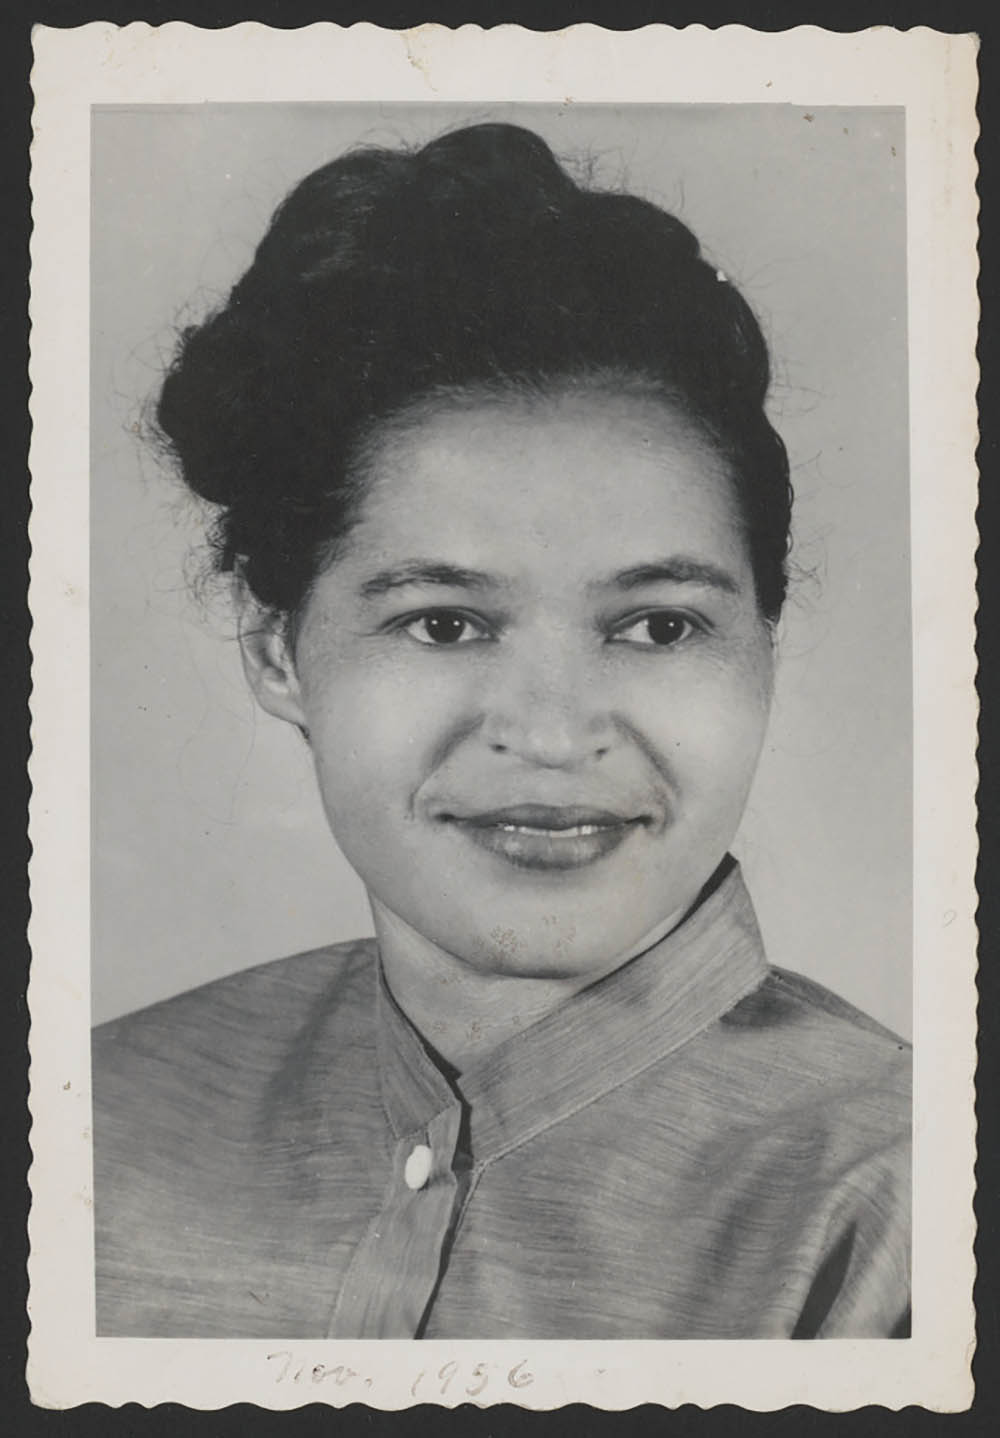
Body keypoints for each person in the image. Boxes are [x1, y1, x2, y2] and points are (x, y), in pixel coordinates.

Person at [92, 121, 910, 1339]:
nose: (552, 732)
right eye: (442, 624)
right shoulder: (90, 1121)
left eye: (657, 627)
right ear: (277, 648)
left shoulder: (898, 1203)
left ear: (765, 647)